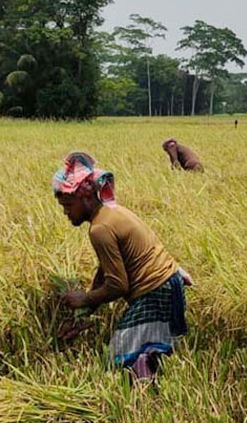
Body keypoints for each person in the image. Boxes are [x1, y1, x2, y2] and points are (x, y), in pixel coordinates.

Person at [52, 152, 191, 384]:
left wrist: (84, 299)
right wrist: (84, 313)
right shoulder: (112, 212)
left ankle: (146, 393)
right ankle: (150, 377)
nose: (66, 213)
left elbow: (118, 285)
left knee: (120, 357)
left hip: (154, 291)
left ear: (86, 198)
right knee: (144, 347)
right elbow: (106, 270)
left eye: (68, 205)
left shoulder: (100, 229)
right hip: (170, 284)